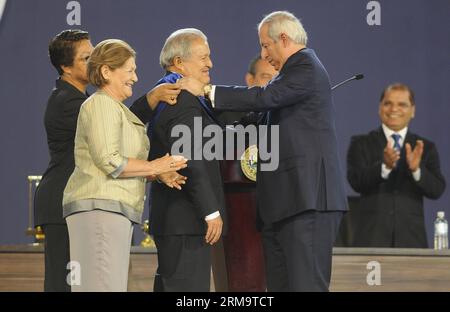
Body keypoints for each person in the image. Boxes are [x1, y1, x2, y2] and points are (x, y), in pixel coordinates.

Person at [181, 11, 348, 291]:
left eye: (265, 45)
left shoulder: (306, 66)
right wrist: (200, 107)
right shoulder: (288, 78)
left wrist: (206, 90)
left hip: (308, 201)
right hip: (283, 206)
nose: (263, 53)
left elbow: (262, 97)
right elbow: (253, 120)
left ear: (283, 38)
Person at [62, 39, 187, 292]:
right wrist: (155, 166)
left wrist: (157, 174)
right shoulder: (101, 104)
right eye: (129, 70)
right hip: (99, 211)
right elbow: (110, 160)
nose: (136, 77)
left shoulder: (115, 108)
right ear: (106, 71)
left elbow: (120, 163)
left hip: (110, 212)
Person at [130, 28, 226, 292]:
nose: (210, 63)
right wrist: (211, 210)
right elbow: (191, 159)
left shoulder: (168, 96)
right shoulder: (181, 98)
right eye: (203, 57)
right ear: (179, 63)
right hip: (187, 219)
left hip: (174, 219)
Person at [347, 83, 446, 247]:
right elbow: (356, 181)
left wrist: (417, 170)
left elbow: (437, 189)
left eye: (402, 104)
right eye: (388, 103)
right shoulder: (361, 143)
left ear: (413, 110)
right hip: (371, 239)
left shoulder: (425, 147)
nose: (394, 109)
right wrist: (384, 167)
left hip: (412, 241)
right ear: (380, 108)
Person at [34, 29, 93, 292]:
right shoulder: (67, 102)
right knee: (64, 285)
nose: (94, 63)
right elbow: (112, 127)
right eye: (86, 58)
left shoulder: (82, 99)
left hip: (75, 202)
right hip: (62, 203)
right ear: (65, 67)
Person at [216, 55, 278, 126]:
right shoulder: (226, 116)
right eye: (266, 77)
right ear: (250, 80)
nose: (272, 82)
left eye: (277, 78)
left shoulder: (287, 116)